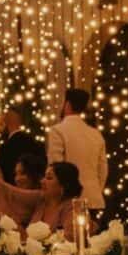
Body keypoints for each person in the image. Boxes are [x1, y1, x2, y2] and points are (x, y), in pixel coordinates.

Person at [0, 161, 82, 239]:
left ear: (63, 185)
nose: (42, 181)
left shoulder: (71, 208)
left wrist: (26, 237)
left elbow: (70, 241)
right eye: (44, 177)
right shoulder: (40, 198)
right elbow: (10, 193)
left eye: (49, 178)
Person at [47, 88, 107, 217]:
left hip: (70, 202)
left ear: (67, 104)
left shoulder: (58, 131)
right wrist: (96, 189)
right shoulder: (95, 134)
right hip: (95, 200)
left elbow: (56, 167)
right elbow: (103, 170)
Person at [0, 106, 46, 184]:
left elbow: (4, 177)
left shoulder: (5, 148)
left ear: (6, 123)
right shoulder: (35, 143)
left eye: (0, 124)